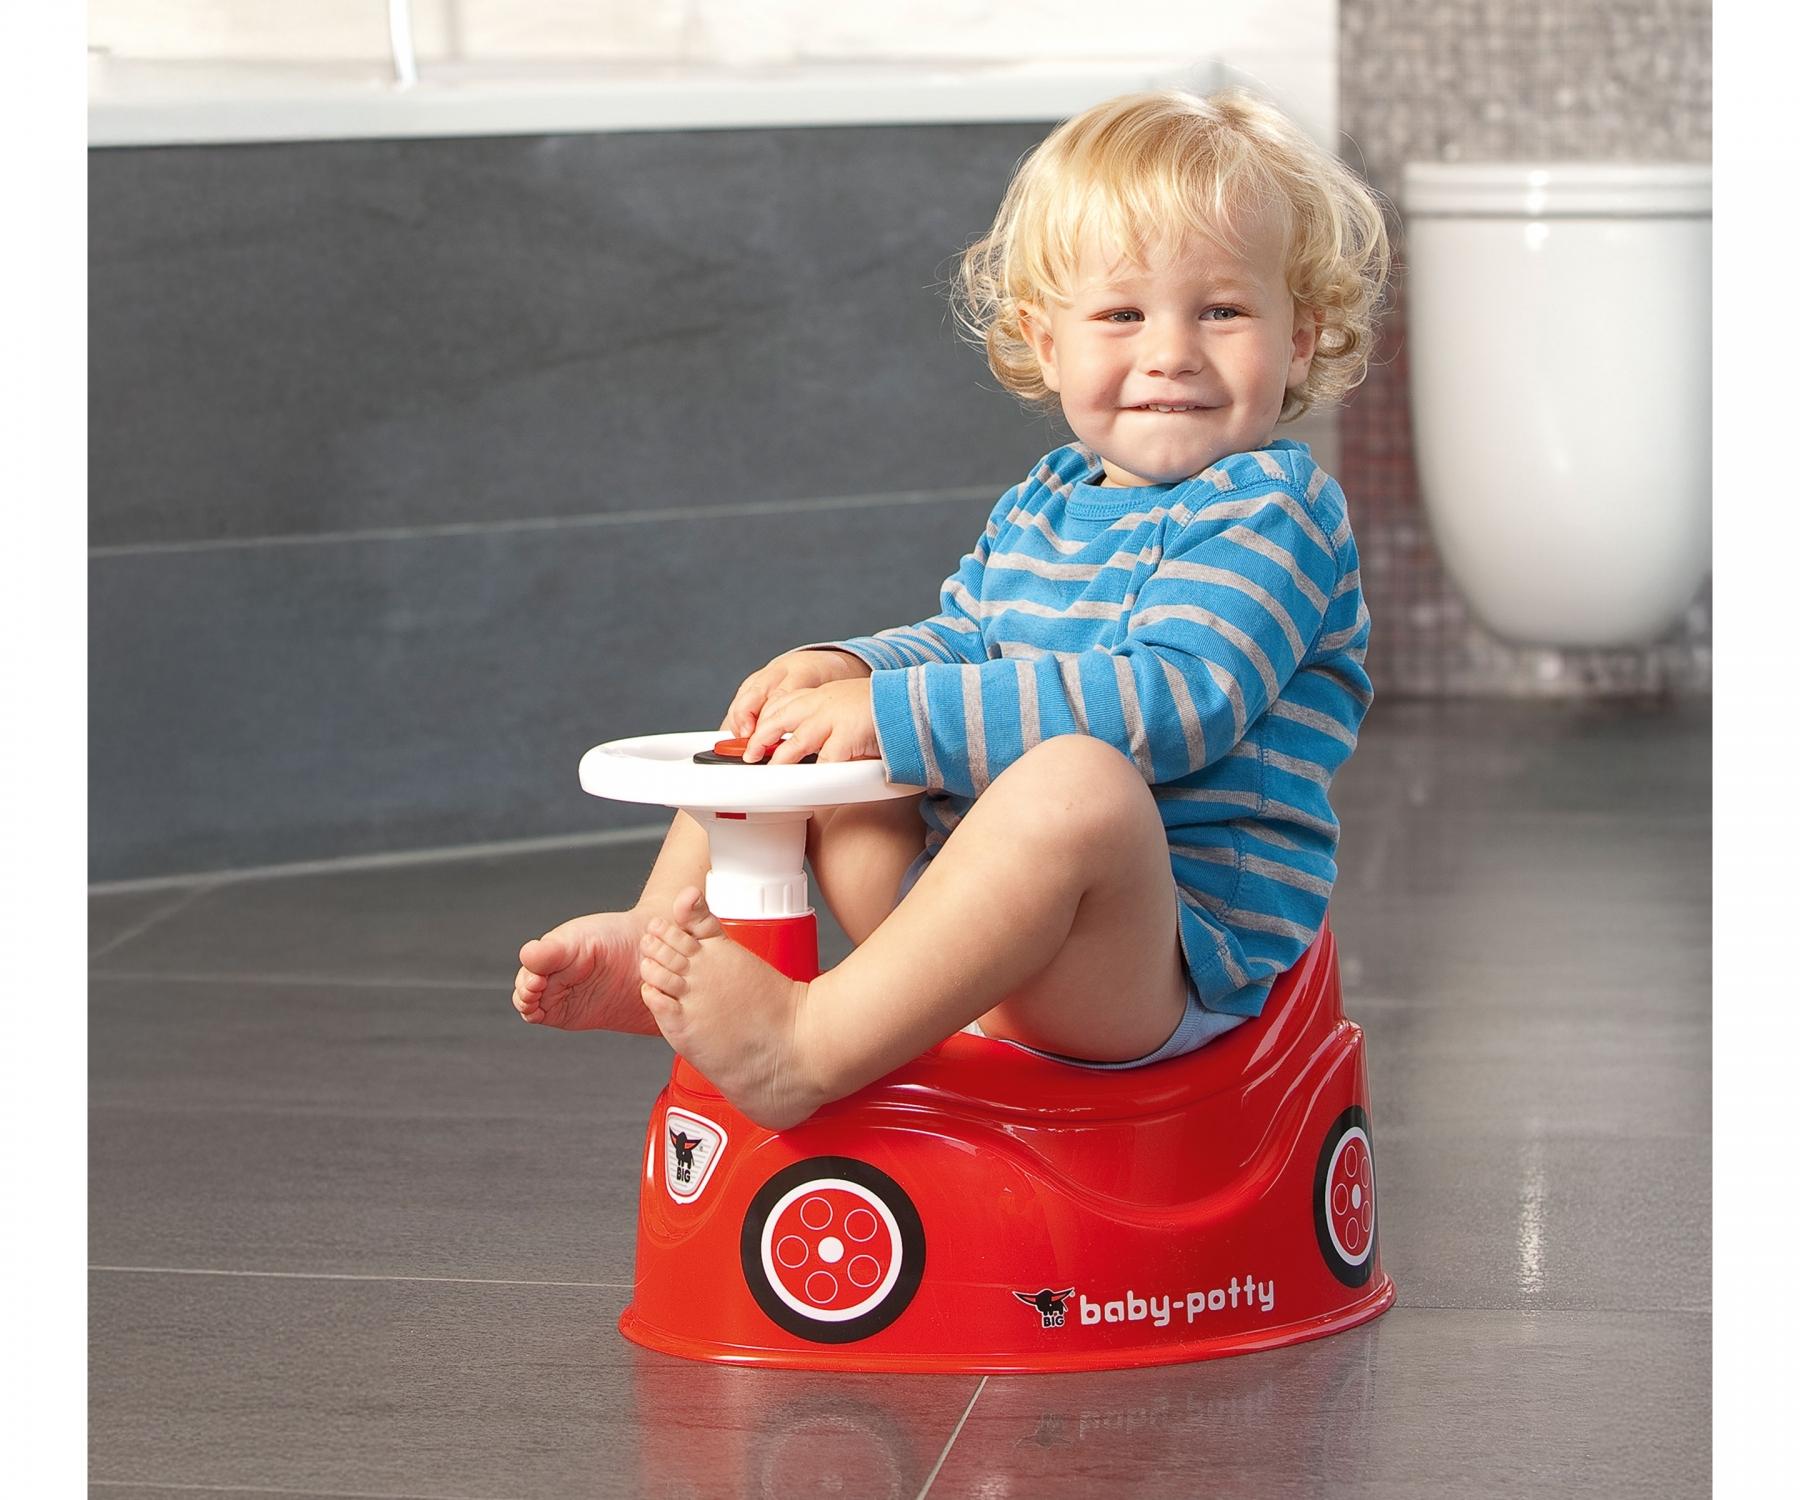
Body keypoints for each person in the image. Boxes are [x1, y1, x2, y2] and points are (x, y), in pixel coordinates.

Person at [510, 87, 1390, 1130]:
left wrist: (894, 714)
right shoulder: (1047, 500)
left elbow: (1174, 701)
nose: (1171, 352)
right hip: (972, 922)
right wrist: (854, 672)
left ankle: (807, 1046)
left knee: (1080, 784)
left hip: (1155, 962)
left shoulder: (1273, 511)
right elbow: (966, 640)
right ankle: (656, 928)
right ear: (1047, 343)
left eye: (1223, 311)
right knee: (795, 719)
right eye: (1122, 314)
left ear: (1300, 340)